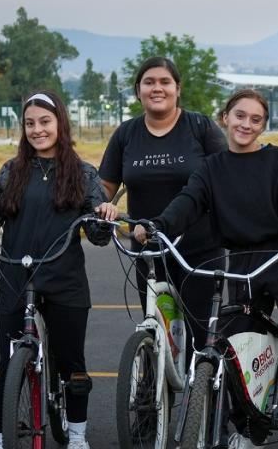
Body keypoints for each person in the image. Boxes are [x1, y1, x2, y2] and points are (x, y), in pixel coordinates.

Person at [108, 89, 278, 449]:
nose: (246, 124)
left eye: (255, 119)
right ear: (224, 117)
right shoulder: (211, 168)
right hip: (243, 264)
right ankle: (250, 432)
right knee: (237, 355)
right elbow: (188, 202)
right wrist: (158, 225)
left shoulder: (277, 160)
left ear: (263, 125)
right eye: (239, 116)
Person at [0, 91, 110, 449]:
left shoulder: (83, 173)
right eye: (30, 123)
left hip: (65, 280)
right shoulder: (10, 170)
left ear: (60, 124)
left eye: (44, 122)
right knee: (7, 366)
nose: (37, 130)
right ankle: (0, 448)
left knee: (73, 365)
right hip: (17, 277)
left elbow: (98, 235)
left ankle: (78, 438)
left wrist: (104, 215)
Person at [97, 56, 228, 355]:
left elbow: (224, 178)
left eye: (165, 82)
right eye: (149, 82)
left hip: (200, 251)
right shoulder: (126, 134)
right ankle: (155, 399)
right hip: (150, 252)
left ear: (177, 89)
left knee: (202, 343)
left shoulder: (200, 127)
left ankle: (204, 400)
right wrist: (96, 206)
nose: (158, 88)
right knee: (159, 339)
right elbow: (105, 186)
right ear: (138, 90)